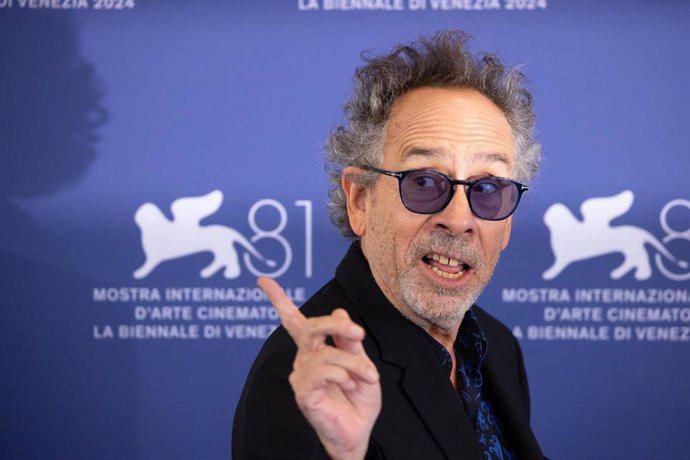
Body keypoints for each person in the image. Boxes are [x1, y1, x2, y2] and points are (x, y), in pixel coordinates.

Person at [233, 30, 546, 460]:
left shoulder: (496, 344)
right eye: (422, 182)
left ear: (507, 223)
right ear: (360, 200)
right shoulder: (307, 382)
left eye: (488, 187)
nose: (458, 219)